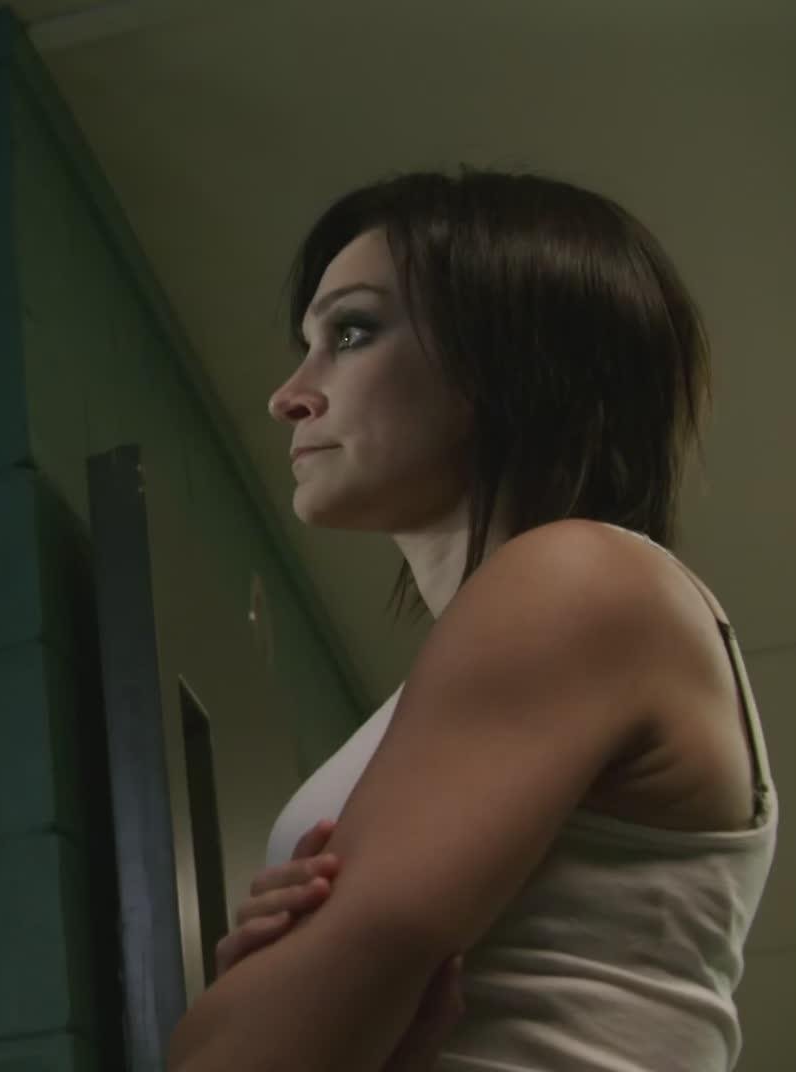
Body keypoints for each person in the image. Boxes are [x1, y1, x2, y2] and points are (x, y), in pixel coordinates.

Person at [169, 169, 777, 1070]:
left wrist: (261, 1006)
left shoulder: (580, 576)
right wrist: (270, 990)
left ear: (511, 355)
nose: (289, 395)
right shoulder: (535, 622)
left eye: (351, 332)